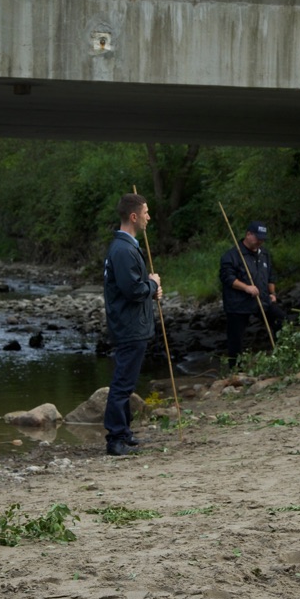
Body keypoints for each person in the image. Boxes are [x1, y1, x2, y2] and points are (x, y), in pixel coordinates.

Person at [103, 192, 162, 456]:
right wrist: (152, 285)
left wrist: (151, 288)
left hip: (130, 324)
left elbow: (137, 287)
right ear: (134, 216)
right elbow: (132, 289)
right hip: (129, 326)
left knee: (126, 381)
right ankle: (115, 439)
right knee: (123, 383)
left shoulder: (125, 247)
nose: (149, 217)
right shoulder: (124, 249)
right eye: (146, 213)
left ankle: (124, 432)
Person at [219, 221, 286, 369]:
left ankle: (282, 355)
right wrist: (246, 287)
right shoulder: (232, 255)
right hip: (238, 303)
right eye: (257, 238)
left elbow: (270, 276)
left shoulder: (265, 254)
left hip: (262, 300)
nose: (260, 241)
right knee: (235, 338)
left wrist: (272, 293)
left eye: (262, 239)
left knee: (282, 320)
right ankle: (235, 369)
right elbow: (227, 278)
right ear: (248, 234)